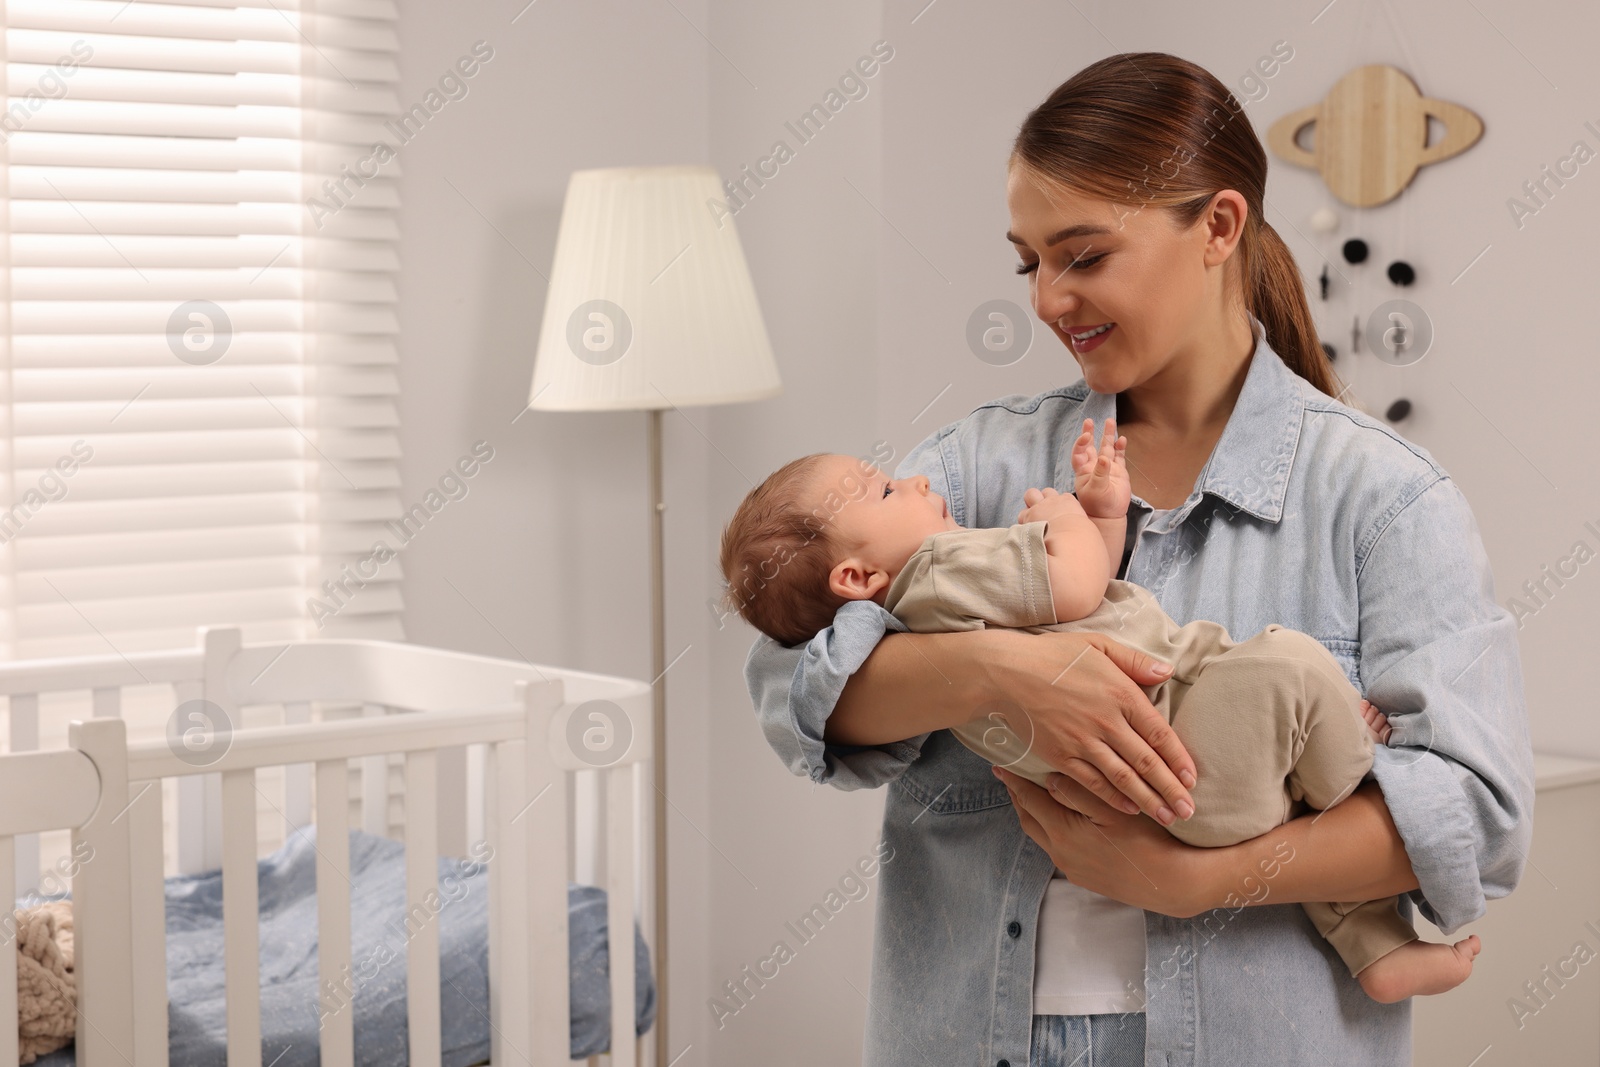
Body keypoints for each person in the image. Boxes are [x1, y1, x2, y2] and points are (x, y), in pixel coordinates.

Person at [735, 51, 1533, 1066]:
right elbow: (788, 680)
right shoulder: (972, 469)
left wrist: (1199, 877)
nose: (1047, 298)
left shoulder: (1381, 499)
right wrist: (1000, 671)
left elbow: (1475, 818)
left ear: (1217, 227)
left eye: (1082, 254)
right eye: (1028, 262)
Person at [718, 413, 1484, 1004]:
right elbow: (1079, 584)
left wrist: (1099, 512)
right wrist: (1058, 518)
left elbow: (1088, 592)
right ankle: (1352, 750)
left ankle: (1370, 942)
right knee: (1291, 662)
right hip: (1181, 738)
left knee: (1293, 805)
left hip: (1178, 790)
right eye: (885, 490)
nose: (914, 483)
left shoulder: (928, 602)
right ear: (856, 575)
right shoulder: (939, 571)